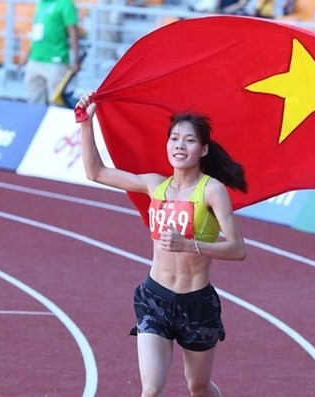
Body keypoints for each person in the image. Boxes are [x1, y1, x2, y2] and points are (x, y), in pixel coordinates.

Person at [76, 92, 248, 397]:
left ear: (203, 149)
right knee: (151, 389)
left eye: (189, 140)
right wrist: (86, 125)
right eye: (174, 138)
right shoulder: (156, 184)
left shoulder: (212, 191)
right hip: (154, 297)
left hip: (197, 304)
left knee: (198, 386)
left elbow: (237, 249)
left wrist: (188, 245)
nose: (180, 145)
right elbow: (96, 172)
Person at [23, 0, 80, 105]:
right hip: (35, 59)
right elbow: (37, 31)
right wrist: (28, 55)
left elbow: (73, 32)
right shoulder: (41, 4)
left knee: (56, 102)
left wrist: (76, 59)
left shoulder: (65, 4)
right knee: (34, 99)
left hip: (56, 61)